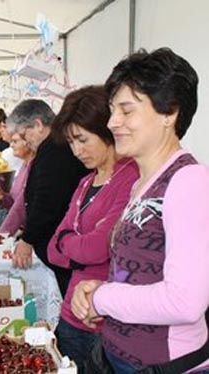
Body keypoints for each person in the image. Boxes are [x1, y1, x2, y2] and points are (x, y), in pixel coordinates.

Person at [71, 48, 209, 374]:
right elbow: (140, 271)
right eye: (111, 109)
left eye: (126, 110)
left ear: (169, 113)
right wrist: (94, 291)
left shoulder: (190, 181)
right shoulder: (142, 182)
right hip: (120, 356)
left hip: (167, 363)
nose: (112, 122)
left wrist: (103, 297)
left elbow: (185, 302)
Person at [45, 86, 138, 371]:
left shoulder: (132, 178)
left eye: (83, 140)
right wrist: (78, 245)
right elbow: (52, 249)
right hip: (71, 317)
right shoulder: (86, 182)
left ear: (106, 131)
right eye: (72, 142)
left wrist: (70, 241)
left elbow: (98, 246)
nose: (77, 151)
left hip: (105, 322)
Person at [9, 99, 88, 297]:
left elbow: (47, 201)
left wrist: (28, 239)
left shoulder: (55, 150)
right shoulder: (51, 148)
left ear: (37, 124)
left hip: (61, 245)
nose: (25, 141)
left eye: (25, 134)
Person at [0, 131, 34, 236]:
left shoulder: (33, 168)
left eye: (15, 141)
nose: (11, 145)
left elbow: (22, 205)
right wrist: (3, 197)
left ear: (28, 143)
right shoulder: (24, 165)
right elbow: (15, 201)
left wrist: (3, 234)